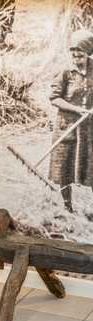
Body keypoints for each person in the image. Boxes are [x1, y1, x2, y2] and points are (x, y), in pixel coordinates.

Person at [49, 30, 93, 213]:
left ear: (88, 50)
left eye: (80, 50)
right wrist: (75, 109)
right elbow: (54, 98)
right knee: (64, 168)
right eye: (73, 50)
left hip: (89, 129)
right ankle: (68, 207)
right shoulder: (65, 71)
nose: (76, 54)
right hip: (66, 126)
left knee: (90, 167)